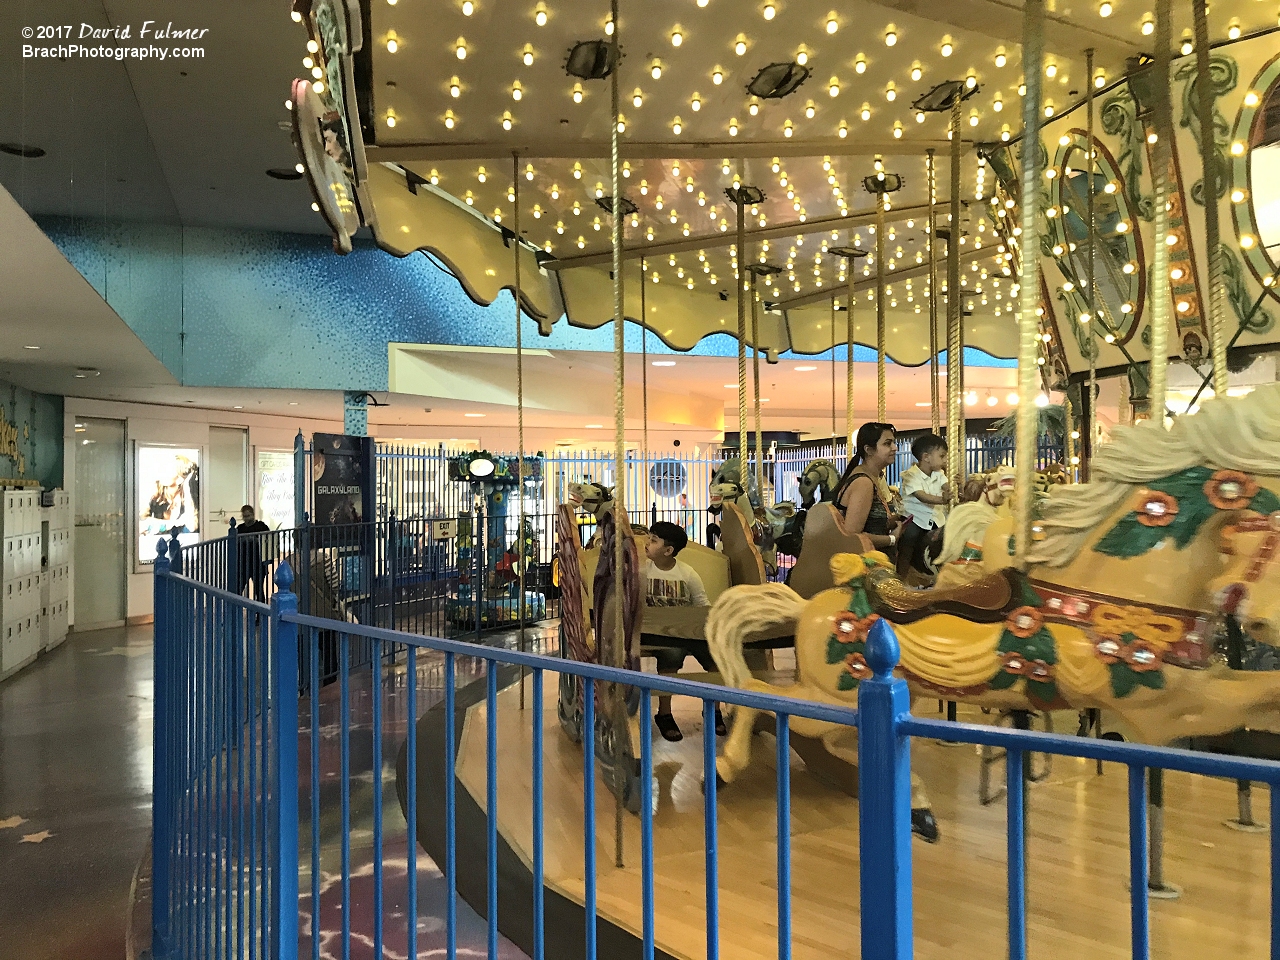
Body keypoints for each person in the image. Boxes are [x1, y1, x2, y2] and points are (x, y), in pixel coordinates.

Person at [642, 521, 715, 742]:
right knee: (671, 655)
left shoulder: (687, 573)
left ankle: (714, 709)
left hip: (684, 630)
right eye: (649, 538)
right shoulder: (643, 570)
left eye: (654, 540)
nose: (647, 543)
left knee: (714, 656)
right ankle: (664, 713)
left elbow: (701, 603)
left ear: (668, 550)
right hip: (655, 631)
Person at [832, 422, 903, 557]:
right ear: (869, 450)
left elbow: (869, 524)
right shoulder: (863, 482)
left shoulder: (873, 477)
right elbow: (852, 535)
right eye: (887, 444)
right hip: (864, 564)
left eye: (894, 442)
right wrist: (891, 539)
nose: (894, 447)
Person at [896, 435, 951, 578]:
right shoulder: (911, 475)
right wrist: (942, 500)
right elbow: (921, 496)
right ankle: (901, 575)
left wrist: (950, 489)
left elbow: (945, 485)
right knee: (909, 540)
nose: (945, 460)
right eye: (942, 456)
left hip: (935, 518)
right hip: (915, 517)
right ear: (926, 457)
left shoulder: (939, 473)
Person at [235, 504, 271, 600]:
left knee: (259, 590)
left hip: (258, 563)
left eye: (248, 516)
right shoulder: (240, 528)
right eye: (245, 516)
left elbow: (268, 540)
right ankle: (236, 612)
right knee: (238, 589)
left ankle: (260, 614)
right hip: (243, 563)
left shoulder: (261, 526)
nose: (247, 519)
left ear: (253, 514)